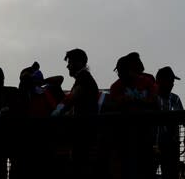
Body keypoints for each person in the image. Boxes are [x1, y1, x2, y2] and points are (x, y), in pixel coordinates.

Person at [108, 52, 158, 179]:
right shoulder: (115, 87)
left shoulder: (147, 82)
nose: (119, 74)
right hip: (124, 139)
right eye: (118, 71)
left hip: (145, 136)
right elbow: (114, 107)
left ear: (129, 70)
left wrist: (129, 102)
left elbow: (154, 103)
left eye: (121, 71)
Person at [55, 49, 99, 179]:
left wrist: (57, 111)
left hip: (84, 132)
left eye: (70, 62)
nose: (67, 66)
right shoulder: (83, 78)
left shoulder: (83, 78)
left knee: (81, 165)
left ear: (79, 63)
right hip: (84, 131)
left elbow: (72, 99)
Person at [156, 67, 184, 179]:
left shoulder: (175, 98)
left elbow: (184, 120)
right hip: (152, 143)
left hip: (171, 145)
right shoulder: (151, 97)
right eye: (170, 81)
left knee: (171, 174)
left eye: (173, 81)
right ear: (160, 81)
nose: (172, 84)